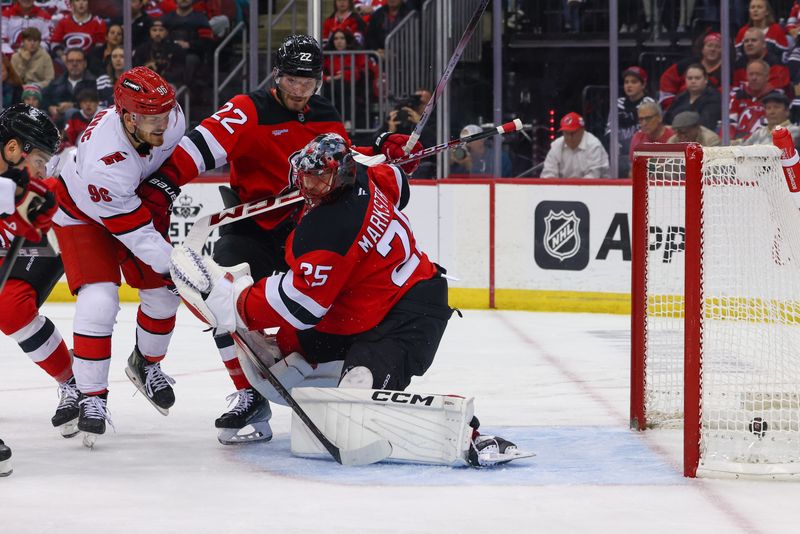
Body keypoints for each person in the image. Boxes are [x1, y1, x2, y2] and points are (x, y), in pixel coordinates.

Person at [171, 132, 519, 465]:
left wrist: (237, 302)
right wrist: (392, 160)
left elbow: (302, 305)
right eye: (304, 176)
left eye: (319, 180)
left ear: (342, 175)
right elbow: (398, 183)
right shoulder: (368, 174)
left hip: (410, 312)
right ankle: (256, 399)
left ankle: (468, 438)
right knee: (286, 350)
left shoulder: (330, 229)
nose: (308, 187)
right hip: (359, 308)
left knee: (358, 389)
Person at [157, 34, 419, 445]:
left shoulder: (325, 112)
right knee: (224, 297)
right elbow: (197, 147)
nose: (300, 91)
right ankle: (247, 394)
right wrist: (164, 185)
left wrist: (383, 149)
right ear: (276, 77)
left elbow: (341, 157)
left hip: (304, 229)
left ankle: (338, 382)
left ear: (320, 81)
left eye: (308, 82)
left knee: (316, 309)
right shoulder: (248, 109)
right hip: (250, 229)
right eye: (292, 81)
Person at [51, 67, 185, 445]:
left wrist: (163, 187)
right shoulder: (103, 161)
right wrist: (176, 267)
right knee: (99, 300)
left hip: (129, 202)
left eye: (165, 114)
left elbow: (174, 162)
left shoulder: (171, 118)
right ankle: (92, 397)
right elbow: (139, 236)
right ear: (127, 117)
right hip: (81, 213)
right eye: (152, 119)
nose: (163, 124)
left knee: (163, 295)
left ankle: (146, 365)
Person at [0, 104, 80, 448]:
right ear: (14, 148)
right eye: (39, 159)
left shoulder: (49, 181)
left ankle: (73, 381)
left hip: (41, 245)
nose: (43, 167)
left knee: (11, 308)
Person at [607, 66, 654, 178]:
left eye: (634, 82)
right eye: (626, 82)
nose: (629, 85)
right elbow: (609, 130)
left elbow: (649, 133)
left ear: (643, 85)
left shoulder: (649, 103)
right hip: (621, 154)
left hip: (643, 155)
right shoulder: (617, 103)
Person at [659, 32, 722, 111]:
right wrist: (672, 106)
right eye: (709, 45)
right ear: (702, 48)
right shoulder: (685, 65)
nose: (713, 49)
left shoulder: (728, 70)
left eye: (718, 46)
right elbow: (667, 79)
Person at [541, 112, 609, 179]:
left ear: (582, 130)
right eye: (566, 133)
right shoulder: (557, 145)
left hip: (597, 189)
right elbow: (547, 174)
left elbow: (593, 177)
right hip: (563, 189)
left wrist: (572, 185)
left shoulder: (594, 145)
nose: (569, 138)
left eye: (572, 133)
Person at [42, 47, 96, 127]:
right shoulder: (57, 82)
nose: (74, 64)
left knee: (71, 112)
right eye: (71, 61)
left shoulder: (93, 82)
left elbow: (96, 103)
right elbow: (44, 97)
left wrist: (73, 105)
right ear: (66, 64)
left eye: (78, 61)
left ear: (85, 64)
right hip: (57, 121)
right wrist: (50, 107)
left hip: (82, 123)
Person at [732, 27, 790, 95]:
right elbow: (735, 90)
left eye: (754, 40)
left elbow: (775, 91)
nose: (749, 44)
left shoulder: (776, 64)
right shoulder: (738, 64)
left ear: (764, 44)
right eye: (746, 41)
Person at [663, 63, 721, 131]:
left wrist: (675, 128)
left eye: (697, 78)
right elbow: (667, 120)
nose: (693, 81)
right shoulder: (680, 97)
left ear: (706, 80)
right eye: (690, 78)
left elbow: (705, 125)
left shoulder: (714, 98)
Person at [730, 59, 777, 141]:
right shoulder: (738, 97)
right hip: (737, 142)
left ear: (767, 77)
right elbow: (729, 124)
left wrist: (745, 140)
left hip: (763, 142)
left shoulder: (776, 99)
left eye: (758, 74)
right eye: (751, 74)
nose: (754, 78)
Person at [629, 101, 673, 169]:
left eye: (648, 118)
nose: (644, 123)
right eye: (641, 119)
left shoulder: (673, 137)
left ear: (659, 118)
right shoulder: (637, 138)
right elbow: (633, 170)